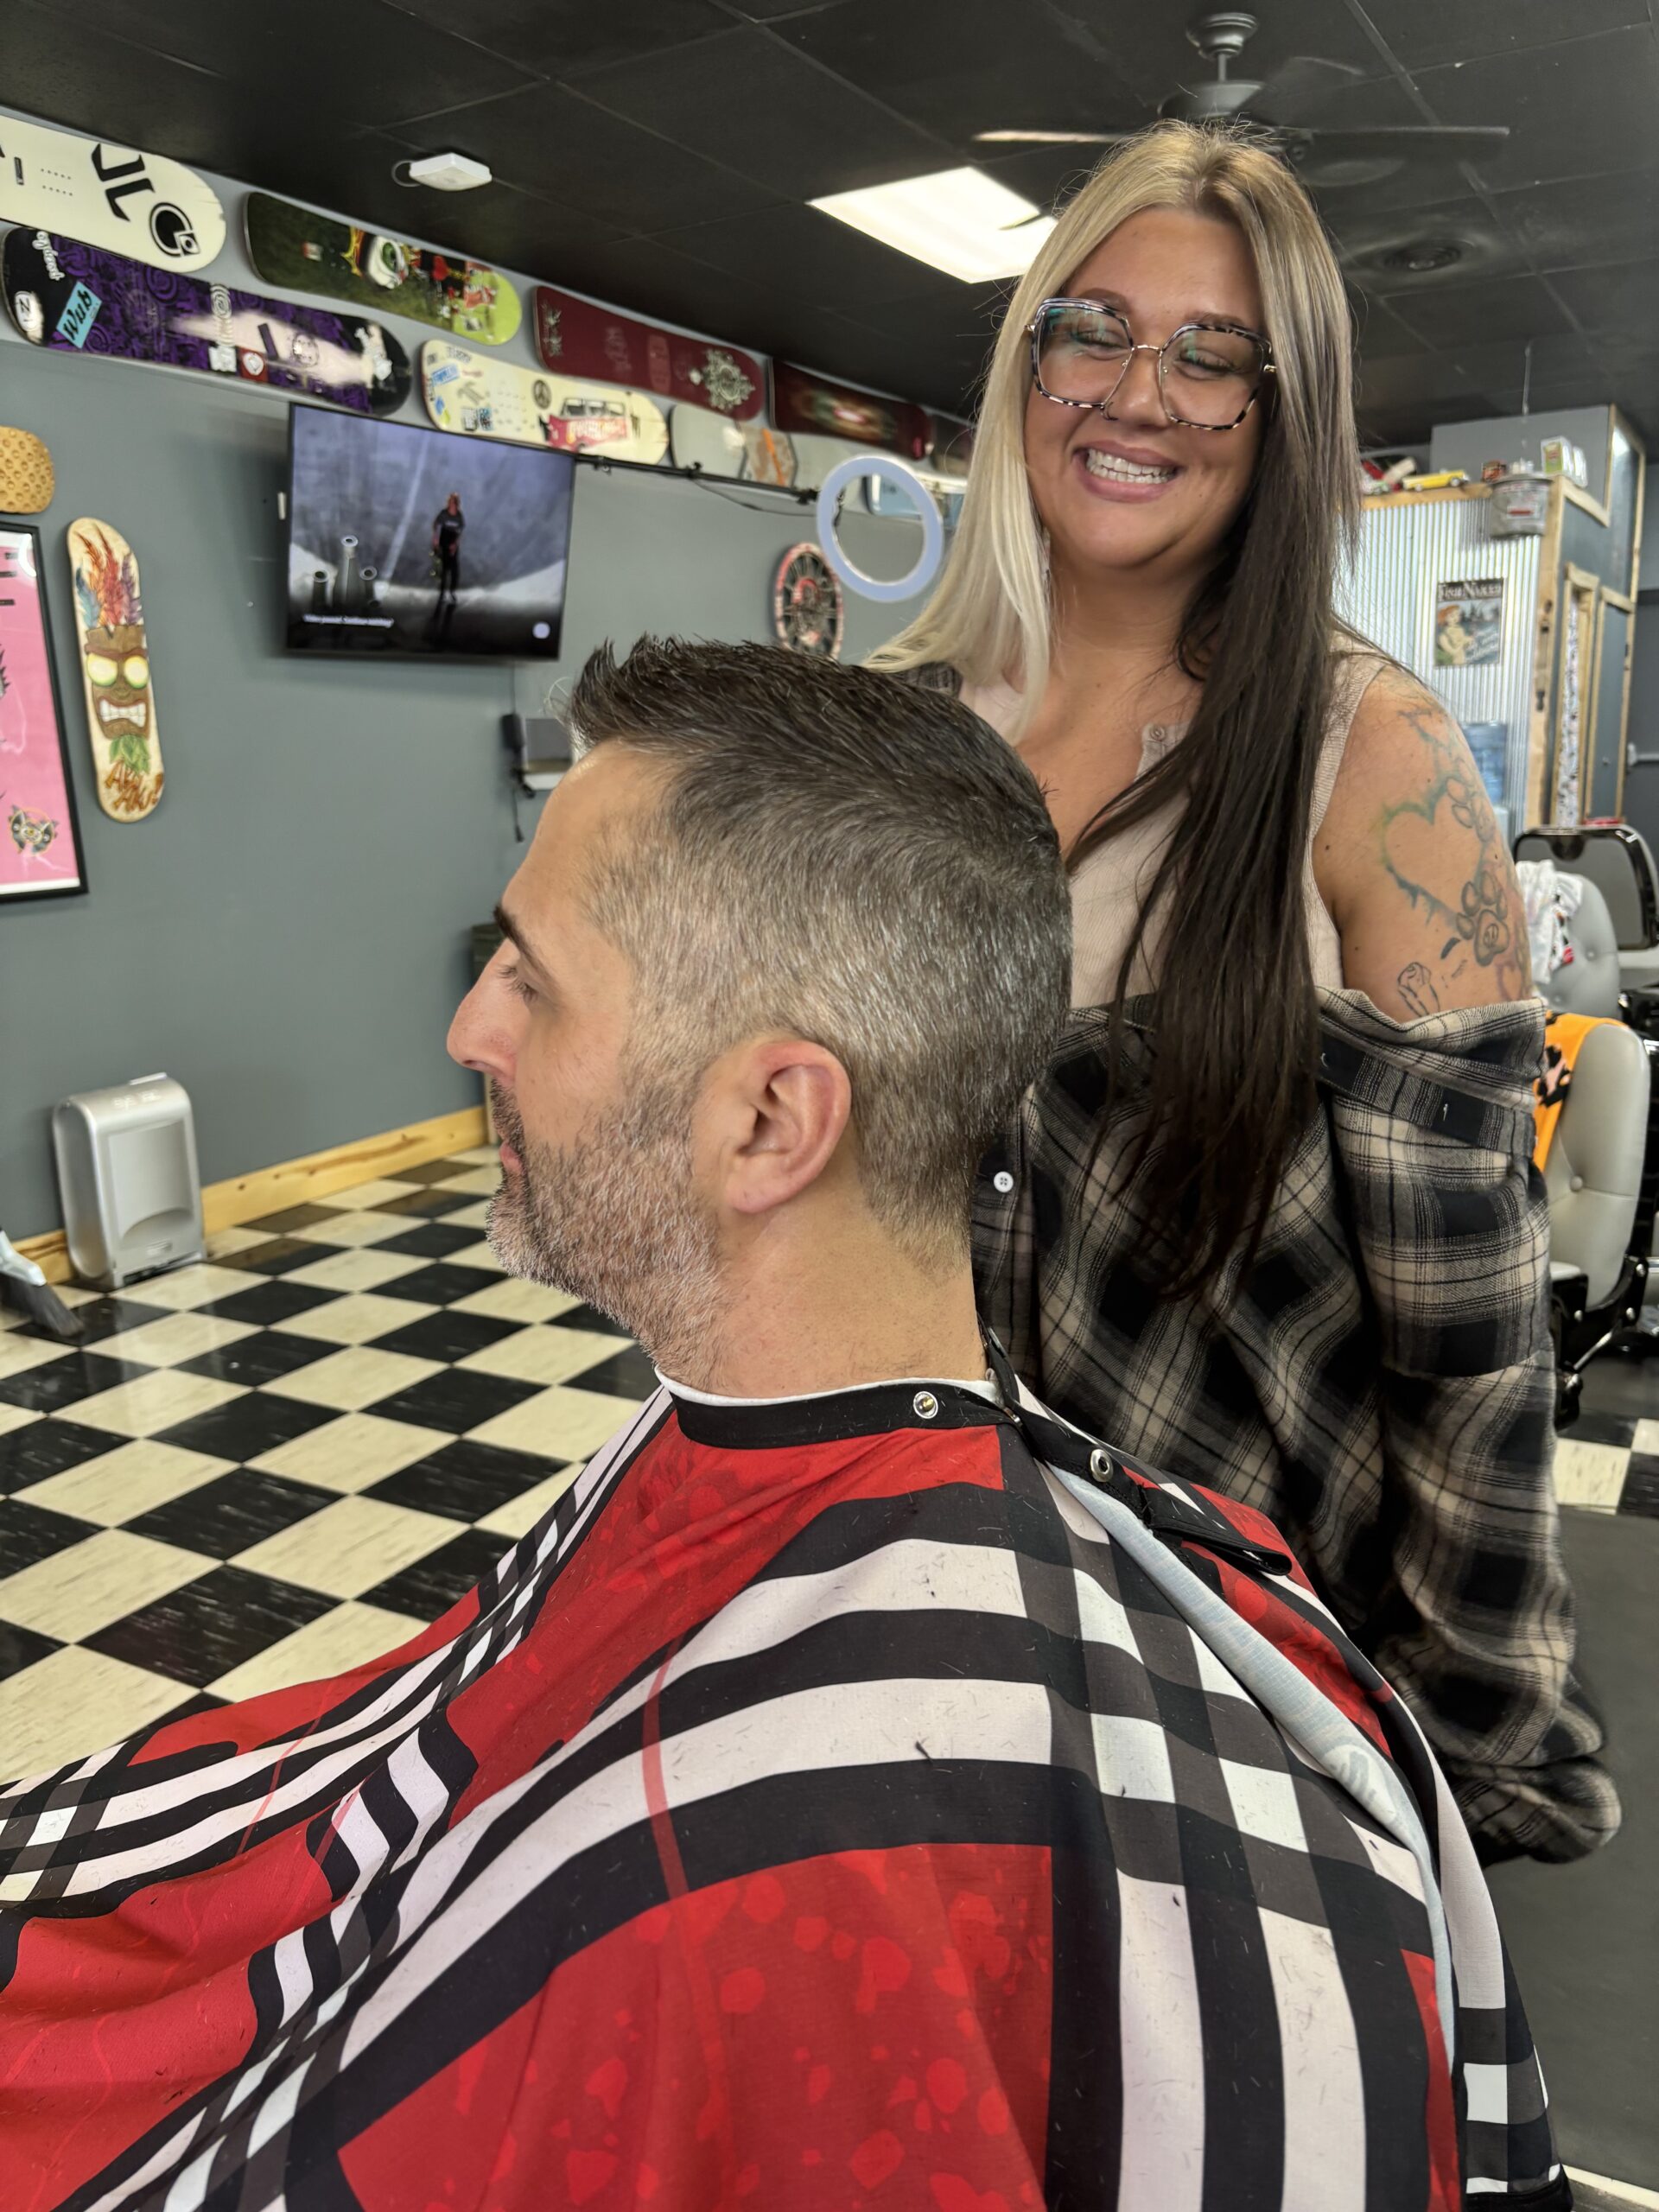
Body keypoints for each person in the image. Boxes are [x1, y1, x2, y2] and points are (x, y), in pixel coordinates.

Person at [0, 641, 1565, 2211]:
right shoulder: (921, 1530)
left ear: (769, 1120)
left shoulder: (820, 1846)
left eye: (531, 976)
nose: (471, 1027)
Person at [874, 119, 1614, 1867]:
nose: (1142, 395)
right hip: (929, 1617)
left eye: (1218, 357)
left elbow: (1470, 1354)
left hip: (1241, 1698)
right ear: (1030, 357)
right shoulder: (893, 731)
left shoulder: (1376, 758)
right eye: (1097, 330)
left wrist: (1467, 1771)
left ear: (1285, 419)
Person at [431, 490, 464, 606]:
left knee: (455, 570)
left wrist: (455, 544)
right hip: (444, 540)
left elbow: (460, 531)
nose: (452, 504)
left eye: (454, 502)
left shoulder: (459, 516)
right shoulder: (444, 513)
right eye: (450, 502)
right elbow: (436, 525)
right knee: (444, 569)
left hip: (453, 541)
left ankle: (452, 592)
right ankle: (442, 593)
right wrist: (436, 538)